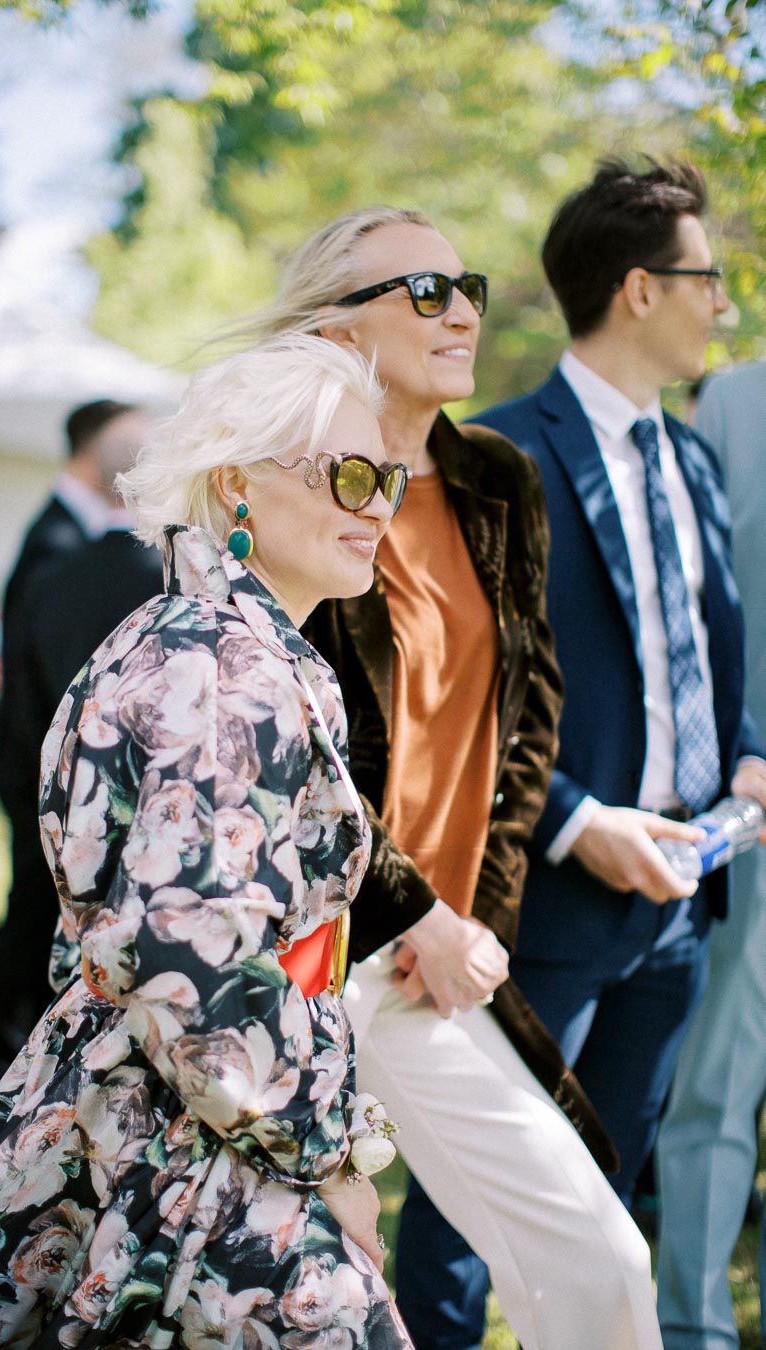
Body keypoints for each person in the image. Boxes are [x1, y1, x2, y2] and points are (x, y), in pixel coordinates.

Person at [0, 335, 413, 1348]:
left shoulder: (196, 639)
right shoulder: (220, 672)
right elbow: (189, 964)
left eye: (389, 476)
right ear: (234, 484)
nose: (376, 504)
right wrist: (333, 1158)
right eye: (347, 475)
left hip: (146, 1114)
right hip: (200, 1153)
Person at [236, 206, 662, 1349]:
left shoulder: (496, 478)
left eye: (463, 283)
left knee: (595, 1258)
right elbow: (285, 755)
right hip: (305, 959)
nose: (461, 308)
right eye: (422, 291)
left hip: (434, 959)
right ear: (338, 325)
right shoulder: (286, 484)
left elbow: (528, 720)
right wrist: (413, 912)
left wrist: (475, 918)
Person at [474, 160, 766, 1216]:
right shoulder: (495, 452)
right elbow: (465, 688)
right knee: (480, 1206)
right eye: (707, 278)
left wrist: (745, 753)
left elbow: (700, 640)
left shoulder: (690, 459)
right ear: (639, 289)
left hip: (681, 902)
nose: (722, 304)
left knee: (603, 1207)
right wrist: (575, 821)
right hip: (548, 895)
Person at [0, 399, 151, 1094]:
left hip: (47, 781)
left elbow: (19, 683)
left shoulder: (60, 566)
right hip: (91, 791)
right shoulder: (153, 579)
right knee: (42, 929)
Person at [656, 359, 766, 1349]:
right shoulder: (734, 401)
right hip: (750, 811)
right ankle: (690, 1331)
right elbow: (689, 605)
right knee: (714, 1097)